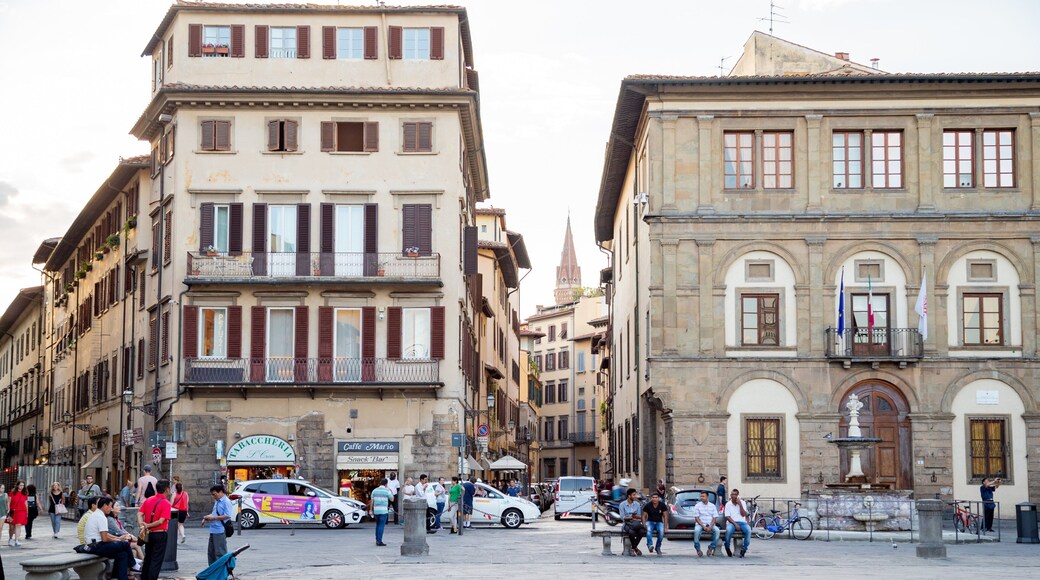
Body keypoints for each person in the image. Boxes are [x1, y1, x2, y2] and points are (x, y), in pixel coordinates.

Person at [84, 498, 134, 580]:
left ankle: (115, 577)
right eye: (110, 506)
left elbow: (105, 534)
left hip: (94, 545)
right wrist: (118, 540)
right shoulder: (101, 517)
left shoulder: (96, 514)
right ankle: (133, 564)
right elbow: (104, 538)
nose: (111, 509)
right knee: (124, 544)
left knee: (123, 554)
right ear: (104, 506)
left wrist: (118, 538)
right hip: (96, 546)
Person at [138, 479, 171, 580]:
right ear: (167, 490)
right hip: (160, 534)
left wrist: (142, 525)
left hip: (149, 534)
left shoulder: (148, 500)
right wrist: (147, 525)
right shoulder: (166, 503)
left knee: (148, 558)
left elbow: (139, 513)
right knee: (156, 561)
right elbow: (161, 521)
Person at [201, 484, 233, 565]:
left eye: (214, 494)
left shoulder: (226, 502)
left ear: (221, 492)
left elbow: (227, 515)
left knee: (220, 552)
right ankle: (212, 571)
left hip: (220, 530)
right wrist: (206, 517)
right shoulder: (217, 501)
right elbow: (214, 513)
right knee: (211, 553)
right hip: (213, 529)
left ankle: (222, 571)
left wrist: (214, 518)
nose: (213, 496)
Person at [723, 489, 751, 558]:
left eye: (735, 494)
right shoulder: (728, 504)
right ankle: (727, 547)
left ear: (738, 496)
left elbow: (743, 514)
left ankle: (744, 549)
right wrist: (735, 524)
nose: (733, 496)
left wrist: (740, 505)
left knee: (748, 530)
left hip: (742, 522)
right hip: (732, 522)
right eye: (732, 494)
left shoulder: (742, 503)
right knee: (729, 530)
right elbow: (727, 517)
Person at [692, 491, 720, 557]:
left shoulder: (712, 506)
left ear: (707, 497)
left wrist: (710, 526)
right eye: (701, 496)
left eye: (703, 496)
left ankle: (711, 547)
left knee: (717, 531)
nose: (702, 498)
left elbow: (715, 517)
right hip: (700, 524)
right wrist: (703, 526)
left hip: (711, 524)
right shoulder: (697, 506)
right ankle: (698, 548)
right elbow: (697, 518)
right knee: (696, 531)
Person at [367, 478, 392, 546]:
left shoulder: (374, 490)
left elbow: (371, 501)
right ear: (386, 484)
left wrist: (370, 510)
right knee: (381, 526)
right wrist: (391, 491)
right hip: (383, 510)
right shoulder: (387, 490)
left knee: (377, 525)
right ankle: (379, 541)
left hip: (376, 510)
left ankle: (377, 539)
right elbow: (392, 499)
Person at [620, 487, 645, 556]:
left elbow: (639, 516)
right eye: (633, 495)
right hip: (627, 523)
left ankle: (633, 548)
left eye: (635, 495)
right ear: (629, 496)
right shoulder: (622, 505)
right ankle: (635, 548)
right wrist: (630, 517)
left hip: (636, 523)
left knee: (642, 531)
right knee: (631, 532)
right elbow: (622, 517)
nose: (635, 496)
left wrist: (635, 517)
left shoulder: (637, 504)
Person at [6, 480, 28, 547]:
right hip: (13, 511)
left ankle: (17, 540)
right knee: (12, 527)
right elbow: (9, 501)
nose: (21, 487)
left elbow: (26, 503)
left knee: (18, 525)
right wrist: (8, 509)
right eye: (20, 485)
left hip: (22, 511)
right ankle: (10, 538)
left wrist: (27, 512)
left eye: (23, 485)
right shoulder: (12, 492)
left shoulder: (25, 493)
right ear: (17, 485)